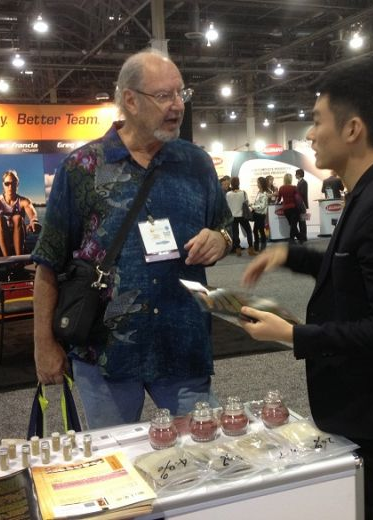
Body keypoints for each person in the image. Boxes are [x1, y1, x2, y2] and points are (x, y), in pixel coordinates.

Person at [239, 58, 373, 520]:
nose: (309, 134)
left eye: (316, 121)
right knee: (368, 494)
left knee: (370, 499)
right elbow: (349, 266)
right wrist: (289, 255)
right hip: (365, 388)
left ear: (352, 129)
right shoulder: (371, 189)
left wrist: (292, 335)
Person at [31, 49, 232, 429]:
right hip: (107, 353)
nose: (178, 105)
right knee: (117, 458)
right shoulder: (82, 168)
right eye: (164, 96)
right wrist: (44, 345)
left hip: (183, 345)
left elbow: (226, 227)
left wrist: (221, 240)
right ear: (130, 100)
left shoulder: (197, 164)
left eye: (181, 94)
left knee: (205, 449)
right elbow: (48, 264)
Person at [0, 170, 39, 256]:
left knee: (17, 218)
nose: (10, 187)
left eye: (13, 183)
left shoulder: (24, 201)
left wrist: (34, 222)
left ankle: (19, 258)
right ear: (3, 185)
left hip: (19, 233)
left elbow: (33, 215)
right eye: (7, 184)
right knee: (0, 219)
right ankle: (7, 259)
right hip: (1, 233)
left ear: (17, 184)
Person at [226, 177, 256, 256]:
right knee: (249, 231)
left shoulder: (228, 194)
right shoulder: (243, 193)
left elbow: (227, 205)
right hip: (242, 216)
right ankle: (251, 249)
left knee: (235, 233)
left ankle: (238, 250)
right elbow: (247, 203)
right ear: (239, 183)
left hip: (233, 216)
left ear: (231, 184)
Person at [276, 173, 304, 244]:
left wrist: (277, 202)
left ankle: (297, 238)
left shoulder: (281, 188)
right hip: (294, 208)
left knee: (292, 225)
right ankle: (295, 238)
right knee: (293, 225)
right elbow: (298, 198)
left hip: (286, 209)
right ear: (290, 179)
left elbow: (279, 199)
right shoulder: (294, 187)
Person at [251, 176, 269, 252]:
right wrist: (252, 204)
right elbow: (258, 203)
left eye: (258, 183)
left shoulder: (264, 194)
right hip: (257, 214)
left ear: (262, 183)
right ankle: (257, 246)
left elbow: (262, 206)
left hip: (261, 215)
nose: (257, 184)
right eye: (257, 182)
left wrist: (253, 207)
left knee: (260, 231)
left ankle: (262, 247)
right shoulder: (259, 192)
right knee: (256, 230)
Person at [295, 168, 308, 242]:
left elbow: (303, 193)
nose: (295, 175)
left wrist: (295, 193)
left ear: (299, 174)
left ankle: (304, 237)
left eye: (296, 174)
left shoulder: (304, 182)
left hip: (302, 205)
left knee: (302, 221)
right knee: (301, 221)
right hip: (300, 205)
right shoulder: (299, 182)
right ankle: (302, 236)